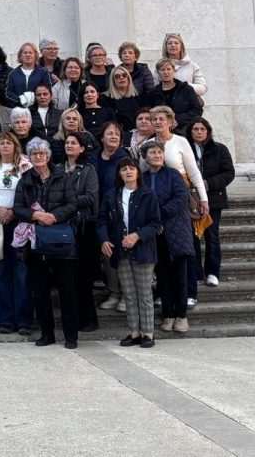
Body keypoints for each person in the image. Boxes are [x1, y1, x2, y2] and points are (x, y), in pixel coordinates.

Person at [14, 137, 80, 349]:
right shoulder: (25, 179)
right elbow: (18, 208)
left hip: (60, 241)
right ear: (30, 157)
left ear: (48, 155)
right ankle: (47, 334)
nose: (39, 157)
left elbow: (73, 204)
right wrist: (36, 215)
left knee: (67, 291)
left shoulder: (63, 177)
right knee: (40, 291)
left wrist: (54, 216)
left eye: (42, 153)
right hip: (37, 241)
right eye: (34, 154)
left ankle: (71, 336)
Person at [98, 158, 161, 348]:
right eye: (123, 169)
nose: (128, 171)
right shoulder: (112, 195)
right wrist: (104, 239)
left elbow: (156, 224)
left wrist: (137, 235)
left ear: (137, 172)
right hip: (121, 251)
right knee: (129, 294)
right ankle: (134, 332)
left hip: (143, 251)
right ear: (119, 174)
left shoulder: (148, 194)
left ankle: (147, 333)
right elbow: (102, 220)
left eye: (131, 168)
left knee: (144, 294)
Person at [0, 131, 33, 335]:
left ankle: (24, 321)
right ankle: (6, 320)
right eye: (2, 143)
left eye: (9, 143)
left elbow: (33, 194)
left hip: (20, 225)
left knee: (21, 273)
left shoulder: (26, 166)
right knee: (1, 274)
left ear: (15, 145)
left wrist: (14, 211)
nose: (5, 146)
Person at [142, 140, 192, 335]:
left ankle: (181, 315)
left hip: (176, 231)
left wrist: (158, 214)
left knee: (179, 275)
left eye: (159, 152)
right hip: (155, 234)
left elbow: (181, 198)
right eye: (152, 153)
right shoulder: (143, 178)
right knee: (162, 275)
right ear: (145, 157)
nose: (157, 155)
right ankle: (168, 314)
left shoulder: (173, 175)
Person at [61, 132, 101, 333]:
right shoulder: (58, 169)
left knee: (84, 277)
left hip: (83, 227)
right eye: (67, 142)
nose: (69, 145)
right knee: (68, 276)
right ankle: (72, 319)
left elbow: (91, 197)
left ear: (82, 148)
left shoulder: (88, 170)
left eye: (74, 143)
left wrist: (68, 202)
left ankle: (89, 319)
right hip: (63, 227)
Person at [189, 118, 234, 288]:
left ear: (208, 132)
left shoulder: (219, 149)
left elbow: (229, 173)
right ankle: (196, 272)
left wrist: (208, 184)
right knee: (193, 236)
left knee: (211, 236)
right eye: (195, 129)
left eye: (202, 129)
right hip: (191, 199)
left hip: (214, 199)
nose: (199, 132)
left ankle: (213, 272)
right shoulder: (186, 148)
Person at [95, 122, 131, 311]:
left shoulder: (124, 159)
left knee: (123, 255)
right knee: (107, 253)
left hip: (119, 212)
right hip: (99, 212)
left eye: (117, 134)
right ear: (102, 138)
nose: (114, 136)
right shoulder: (94, 158)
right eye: (110, 133)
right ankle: (114, 292)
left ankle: (126, 295)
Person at [146, 59, 204, 135]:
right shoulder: (153, 93)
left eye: (168, 69)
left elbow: (197, 110)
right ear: (158, 73)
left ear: (174, 71)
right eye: (162, 70)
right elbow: (149, 111)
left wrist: (176, 119)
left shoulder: (186, 89)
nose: (166, 72)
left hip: (184, 129)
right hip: (160, 130)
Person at [158, 33, 208, 98]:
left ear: (181, 46)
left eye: (176, 43)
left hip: (189, 101)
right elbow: (156, 87)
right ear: (166, 47)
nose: (173, 45)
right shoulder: (160, 66)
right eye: (169, 43)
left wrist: (184, 86)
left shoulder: (192, 65)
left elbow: (203, 88)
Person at [5, 42, 53, 108]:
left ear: (35, 55)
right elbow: (9, 93)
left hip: (38, 108)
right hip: (19, 109)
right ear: (20, 56)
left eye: (30, 53)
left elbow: (48, 90)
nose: (28, 55)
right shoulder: (13, 74)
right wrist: (20, 100)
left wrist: (35, 98)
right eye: (25, 53)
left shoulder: (43, 72)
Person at [102, 66, 141, 131]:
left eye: (124, 75)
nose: (121, 78)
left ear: (128, 78)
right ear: (113, 81)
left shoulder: (137, 97)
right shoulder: (105, 99)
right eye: (117, 76)